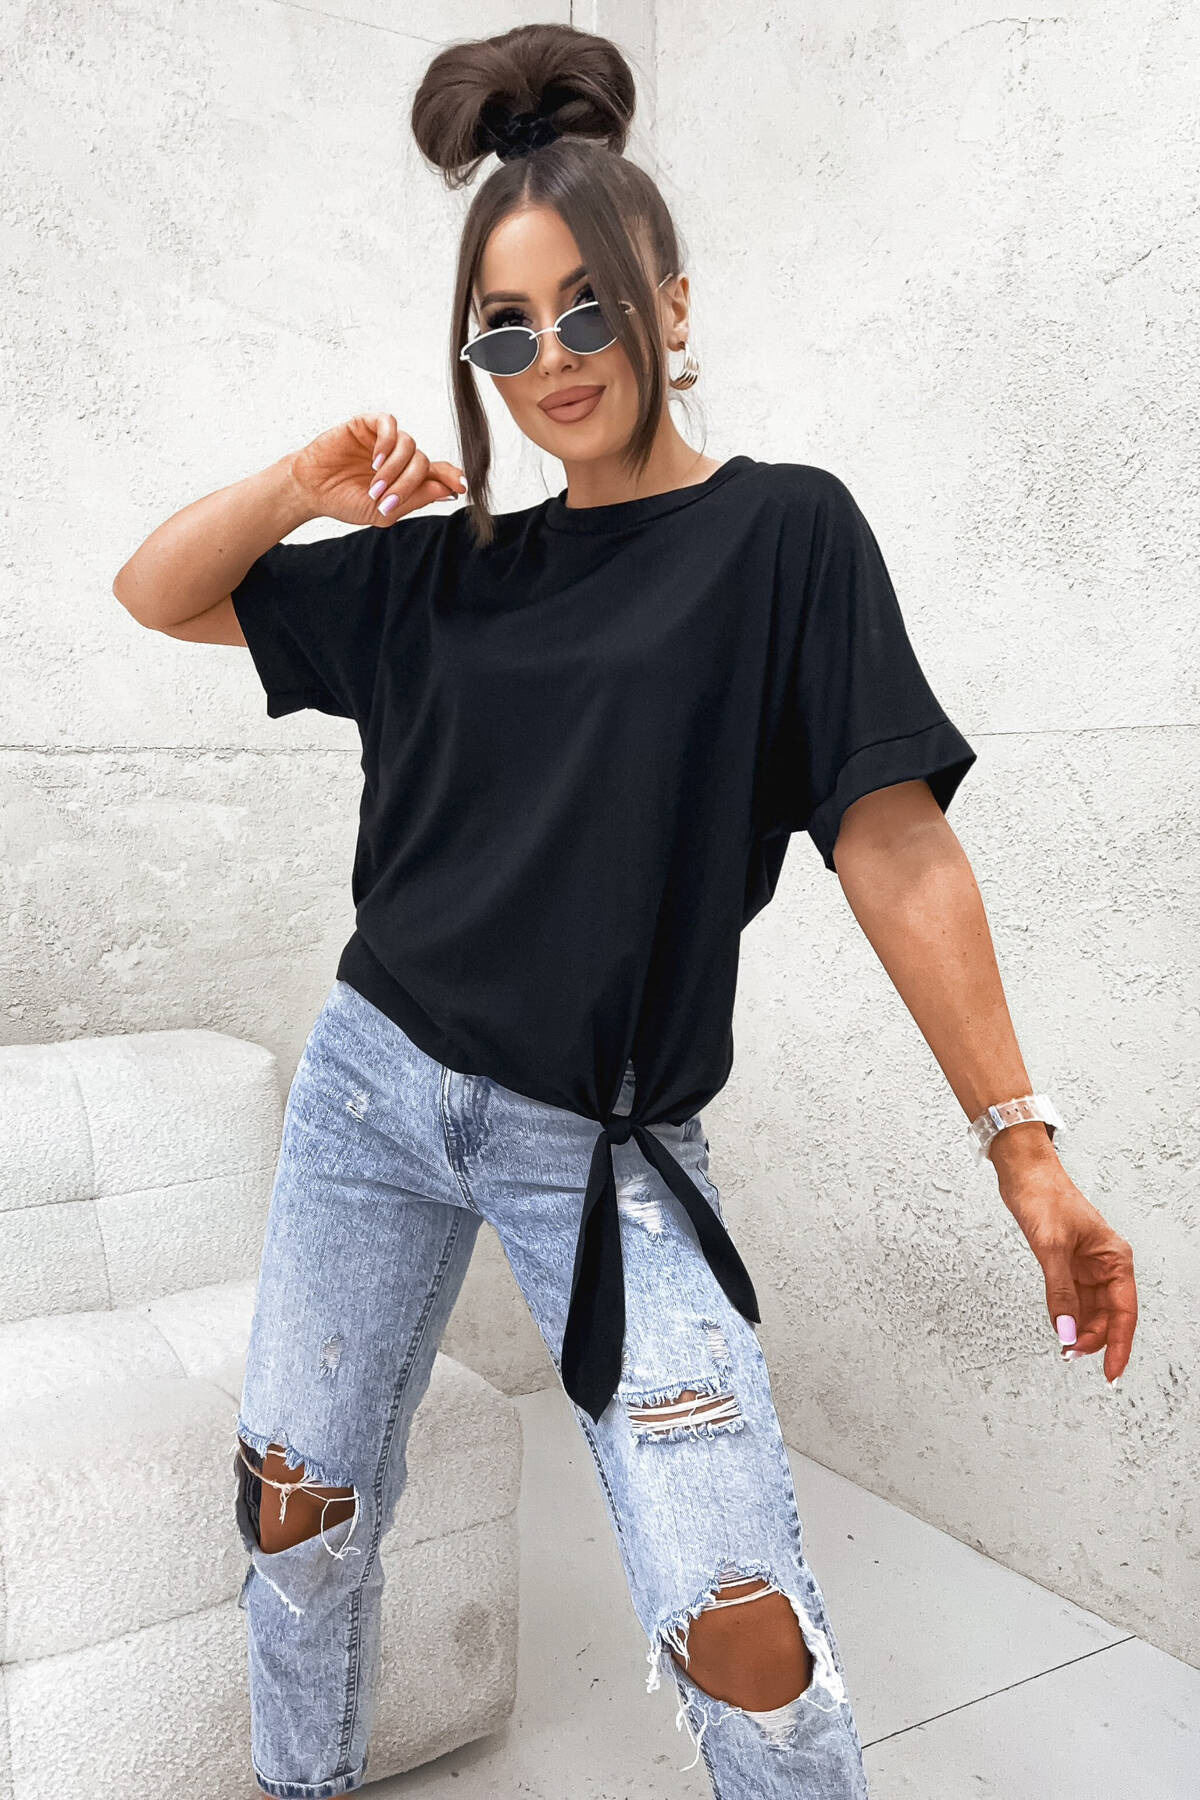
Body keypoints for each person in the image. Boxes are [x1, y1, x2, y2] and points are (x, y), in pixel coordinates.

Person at [112, 21, 1139, 1799]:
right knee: (297, 1507)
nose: (555, 357)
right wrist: (300, 486)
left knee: (744, 1633)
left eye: (588, 306)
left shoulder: (784, 539)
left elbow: (894, 845)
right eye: (506, 331)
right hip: (368, 1092)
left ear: (672, 303)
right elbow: (156, 592)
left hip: (595, 1147)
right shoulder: (447, 569)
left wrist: (1022, 1146)